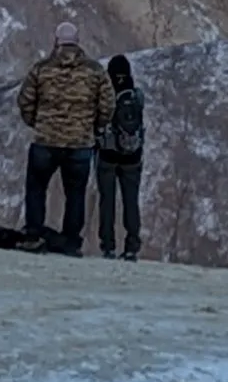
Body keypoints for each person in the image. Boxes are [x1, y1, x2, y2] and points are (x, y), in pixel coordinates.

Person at [16, 23, 113, 256]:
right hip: (79, 143)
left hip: (45, 140)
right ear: (77, 41)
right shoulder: (95, 71)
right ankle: (71, 242)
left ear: (56, 41)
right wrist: (93, 126)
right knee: (75, 194)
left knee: (37, 189)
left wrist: (37, 123)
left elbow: (25, 100)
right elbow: (108, 105)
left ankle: (33, 236)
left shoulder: (41, 69)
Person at [97, 54, 149, 261]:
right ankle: (132, 247)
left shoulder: (106, 95)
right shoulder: (137, 96)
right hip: (132, 157)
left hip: (107, 155)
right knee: (131, 202)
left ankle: (108, 246)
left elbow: (99, 121)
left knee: (107, 201)